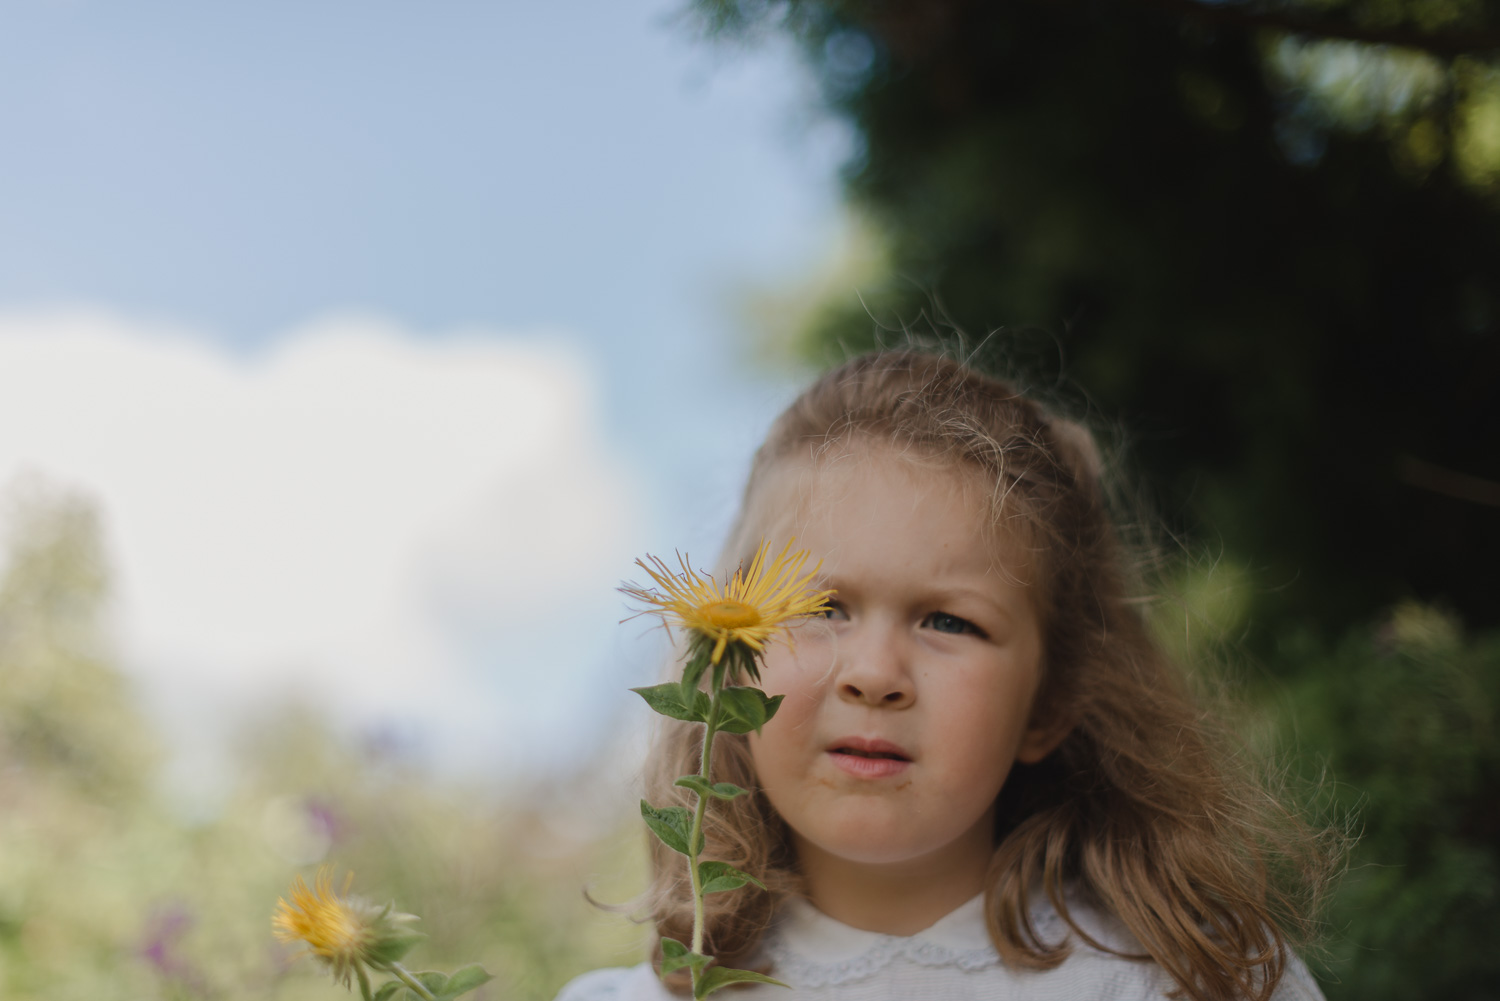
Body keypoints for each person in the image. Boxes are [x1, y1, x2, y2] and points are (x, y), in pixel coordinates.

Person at [559, 351, 1339, 1001]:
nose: (873, 674)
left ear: (1051, 701)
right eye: (820, 606)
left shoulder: (1191, 983)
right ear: (731, 655)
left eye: (948, 621)